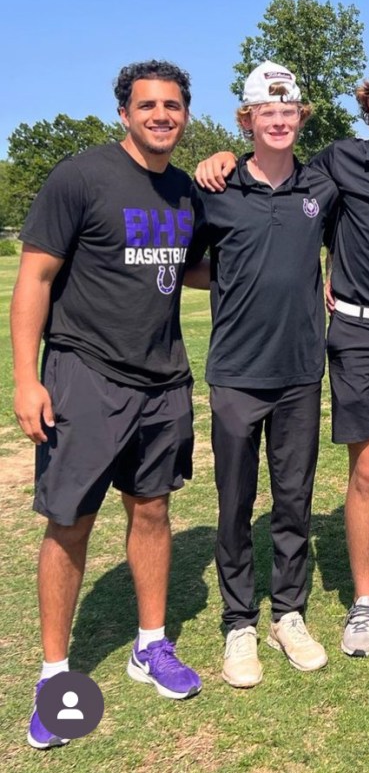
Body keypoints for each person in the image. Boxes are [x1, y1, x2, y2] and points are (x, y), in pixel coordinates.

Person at [196, 47, 369, 656]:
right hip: (356, 336)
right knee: (364, 472)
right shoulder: (337, 162)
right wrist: (223, 157)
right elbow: (269, 170)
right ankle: (363, 602)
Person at [13, 60, 202, 751]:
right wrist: (26, 378)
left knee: (152, 510)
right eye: (148, 105)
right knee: (70, 523)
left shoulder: (185, 189)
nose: (161, 115)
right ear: (124, 112)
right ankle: (54, 677)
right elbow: (35, 277)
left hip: (163, 380)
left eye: (172, 105)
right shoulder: (80, 177)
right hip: (85, 375)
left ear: (185, 114)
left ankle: (150, 645)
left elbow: (196, 266)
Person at [190, 63, 338, 687]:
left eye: (288, 111)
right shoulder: (216, 187)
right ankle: (238, 622)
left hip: (300, 369)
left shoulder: (322, 185)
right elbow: (191, 265)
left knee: (293, 499)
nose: (278, 121)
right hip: (235, 370)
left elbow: (348, 243)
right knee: (234, 502)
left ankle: (289, 614)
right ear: (247, 119)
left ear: (300, 116)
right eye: (265, 113)